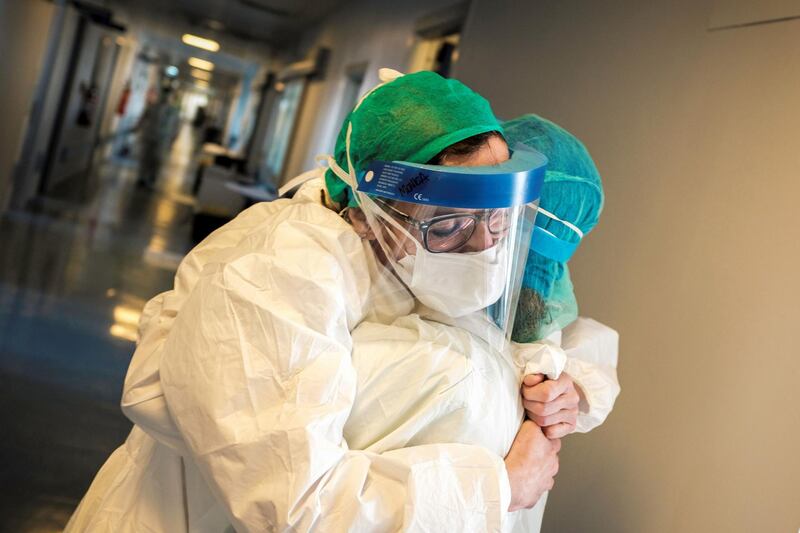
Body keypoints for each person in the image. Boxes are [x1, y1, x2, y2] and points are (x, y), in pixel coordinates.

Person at [66, 69, 618, 532]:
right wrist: (498, 487)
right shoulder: (276, 281)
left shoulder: (408, 255)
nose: (483, 247)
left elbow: (508, 332)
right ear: (366, 209)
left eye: (499, 221)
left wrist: (552, 383)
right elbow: (297, 502)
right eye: (451, 223)